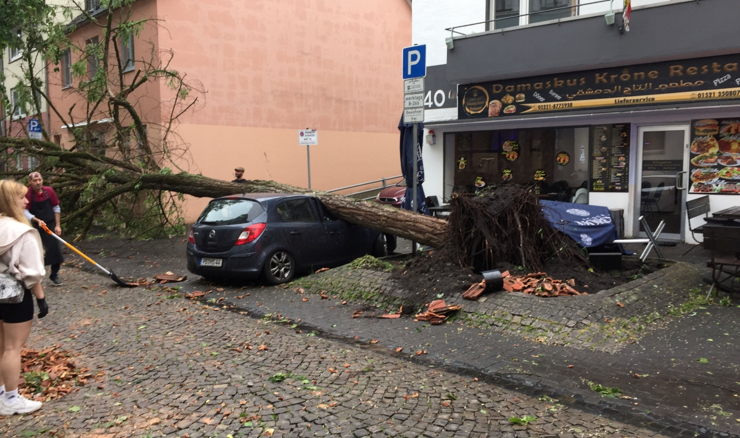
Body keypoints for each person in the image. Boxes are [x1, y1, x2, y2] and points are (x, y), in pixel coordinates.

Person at [0, 179, 49, 415]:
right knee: (12, 347)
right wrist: (40, 298)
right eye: (21, 197)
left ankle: (1, 393)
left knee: (1, 345)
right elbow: (32, 273)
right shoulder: (22, 232)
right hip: (15, 297)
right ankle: (11, 399)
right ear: (11, 201)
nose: (27, 201)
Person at [24, 172, 64, 286]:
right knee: (36, 253)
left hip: (50, 225)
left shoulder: (49, 191)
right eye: (35, 181)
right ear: (30, 182)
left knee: (56, 250)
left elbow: (56, 207)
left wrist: (57, 225)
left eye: (40, 180)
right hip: (35, 226)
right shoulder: (27, 193)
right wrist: (36, 220)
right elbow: (24, 211)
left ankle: (54, 275)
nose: (38, 183)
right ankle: (36, 278)